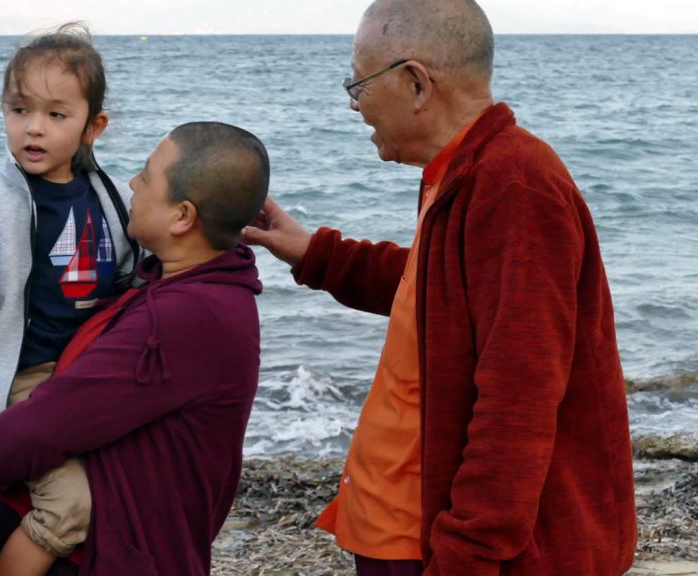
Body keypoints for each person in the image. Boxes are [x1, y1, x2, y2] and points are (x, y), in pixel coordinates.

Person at [242, 1, 637, 574]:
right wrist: (315, 254)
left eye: (359, 84)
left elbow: (518, 401)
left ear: (416, 83)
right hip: (402, 526)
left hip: (441, 545)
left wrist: (467, 555)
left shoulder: (516, 185)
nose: (354, 104)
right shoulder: (462, 170)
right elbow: (435, 292)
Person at [0, 121, 271, 576]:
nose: (132, 182)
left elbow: (51, 423)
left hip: (117, 555)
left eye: (147, 176)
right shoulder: (196, 289)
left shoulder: (181, 318)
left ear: (183, 217)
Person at [0, 24, 140, 574]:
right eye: (19, 109)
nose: (33, 128)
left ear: (93, 126)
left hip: (86, 378)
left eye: (55, 114)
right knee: (70, 510)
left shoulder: (113, 198)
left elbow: (127, 286)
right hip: (21, 381)